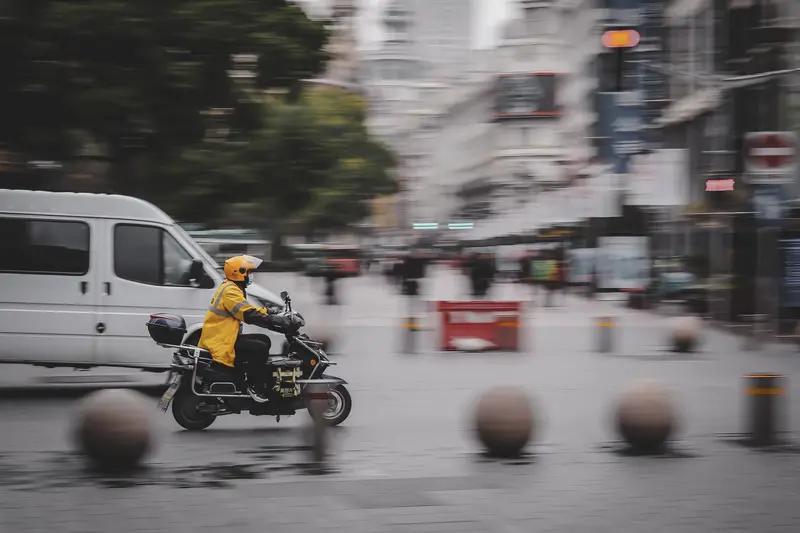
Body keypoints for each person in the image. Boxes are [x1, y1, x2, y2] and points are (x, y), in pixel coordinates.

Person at [199, 255, 296, 402]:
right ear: (239, 272)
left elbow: (247, 308)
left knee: (264, 339)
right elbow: (248, 314)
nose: (251, 276)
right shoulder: (230, 291)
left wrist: (270, 312)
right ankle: (254, 386)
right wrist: (275, 320)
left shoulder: (231, 287)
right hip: (221, 342)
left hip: (223, 337)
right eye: (249, 272)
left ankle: (248, 376)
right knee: (259, 347)